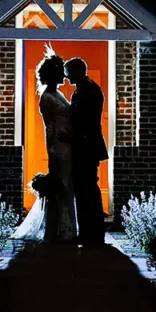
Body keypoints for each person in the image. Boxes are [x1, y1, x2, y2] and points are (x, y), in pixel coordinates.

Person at [11, 49, 77, 243]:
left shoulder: (58, 94)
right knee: (62, 186)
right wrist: (53, 151)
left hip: (68, 144)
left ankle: (67, 228)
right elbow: (49, 127)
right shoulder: (47, 98)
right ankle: (60, 230)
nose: (62, 75)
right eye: (59, 71)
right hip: (59, 146)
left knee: (67, 186)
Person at [65, 56, 107, 247]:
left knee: (88, 189)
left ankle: (94, 234)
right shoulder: (81, 90)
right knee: (83, 191)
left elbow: (87, 123)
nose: (67, 77)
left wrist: (72, 138)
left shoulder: (89, 90)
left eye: (69, 73)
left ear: (78, 71)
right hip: (83, 147)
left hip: (87, 148)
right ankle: (88, 232)